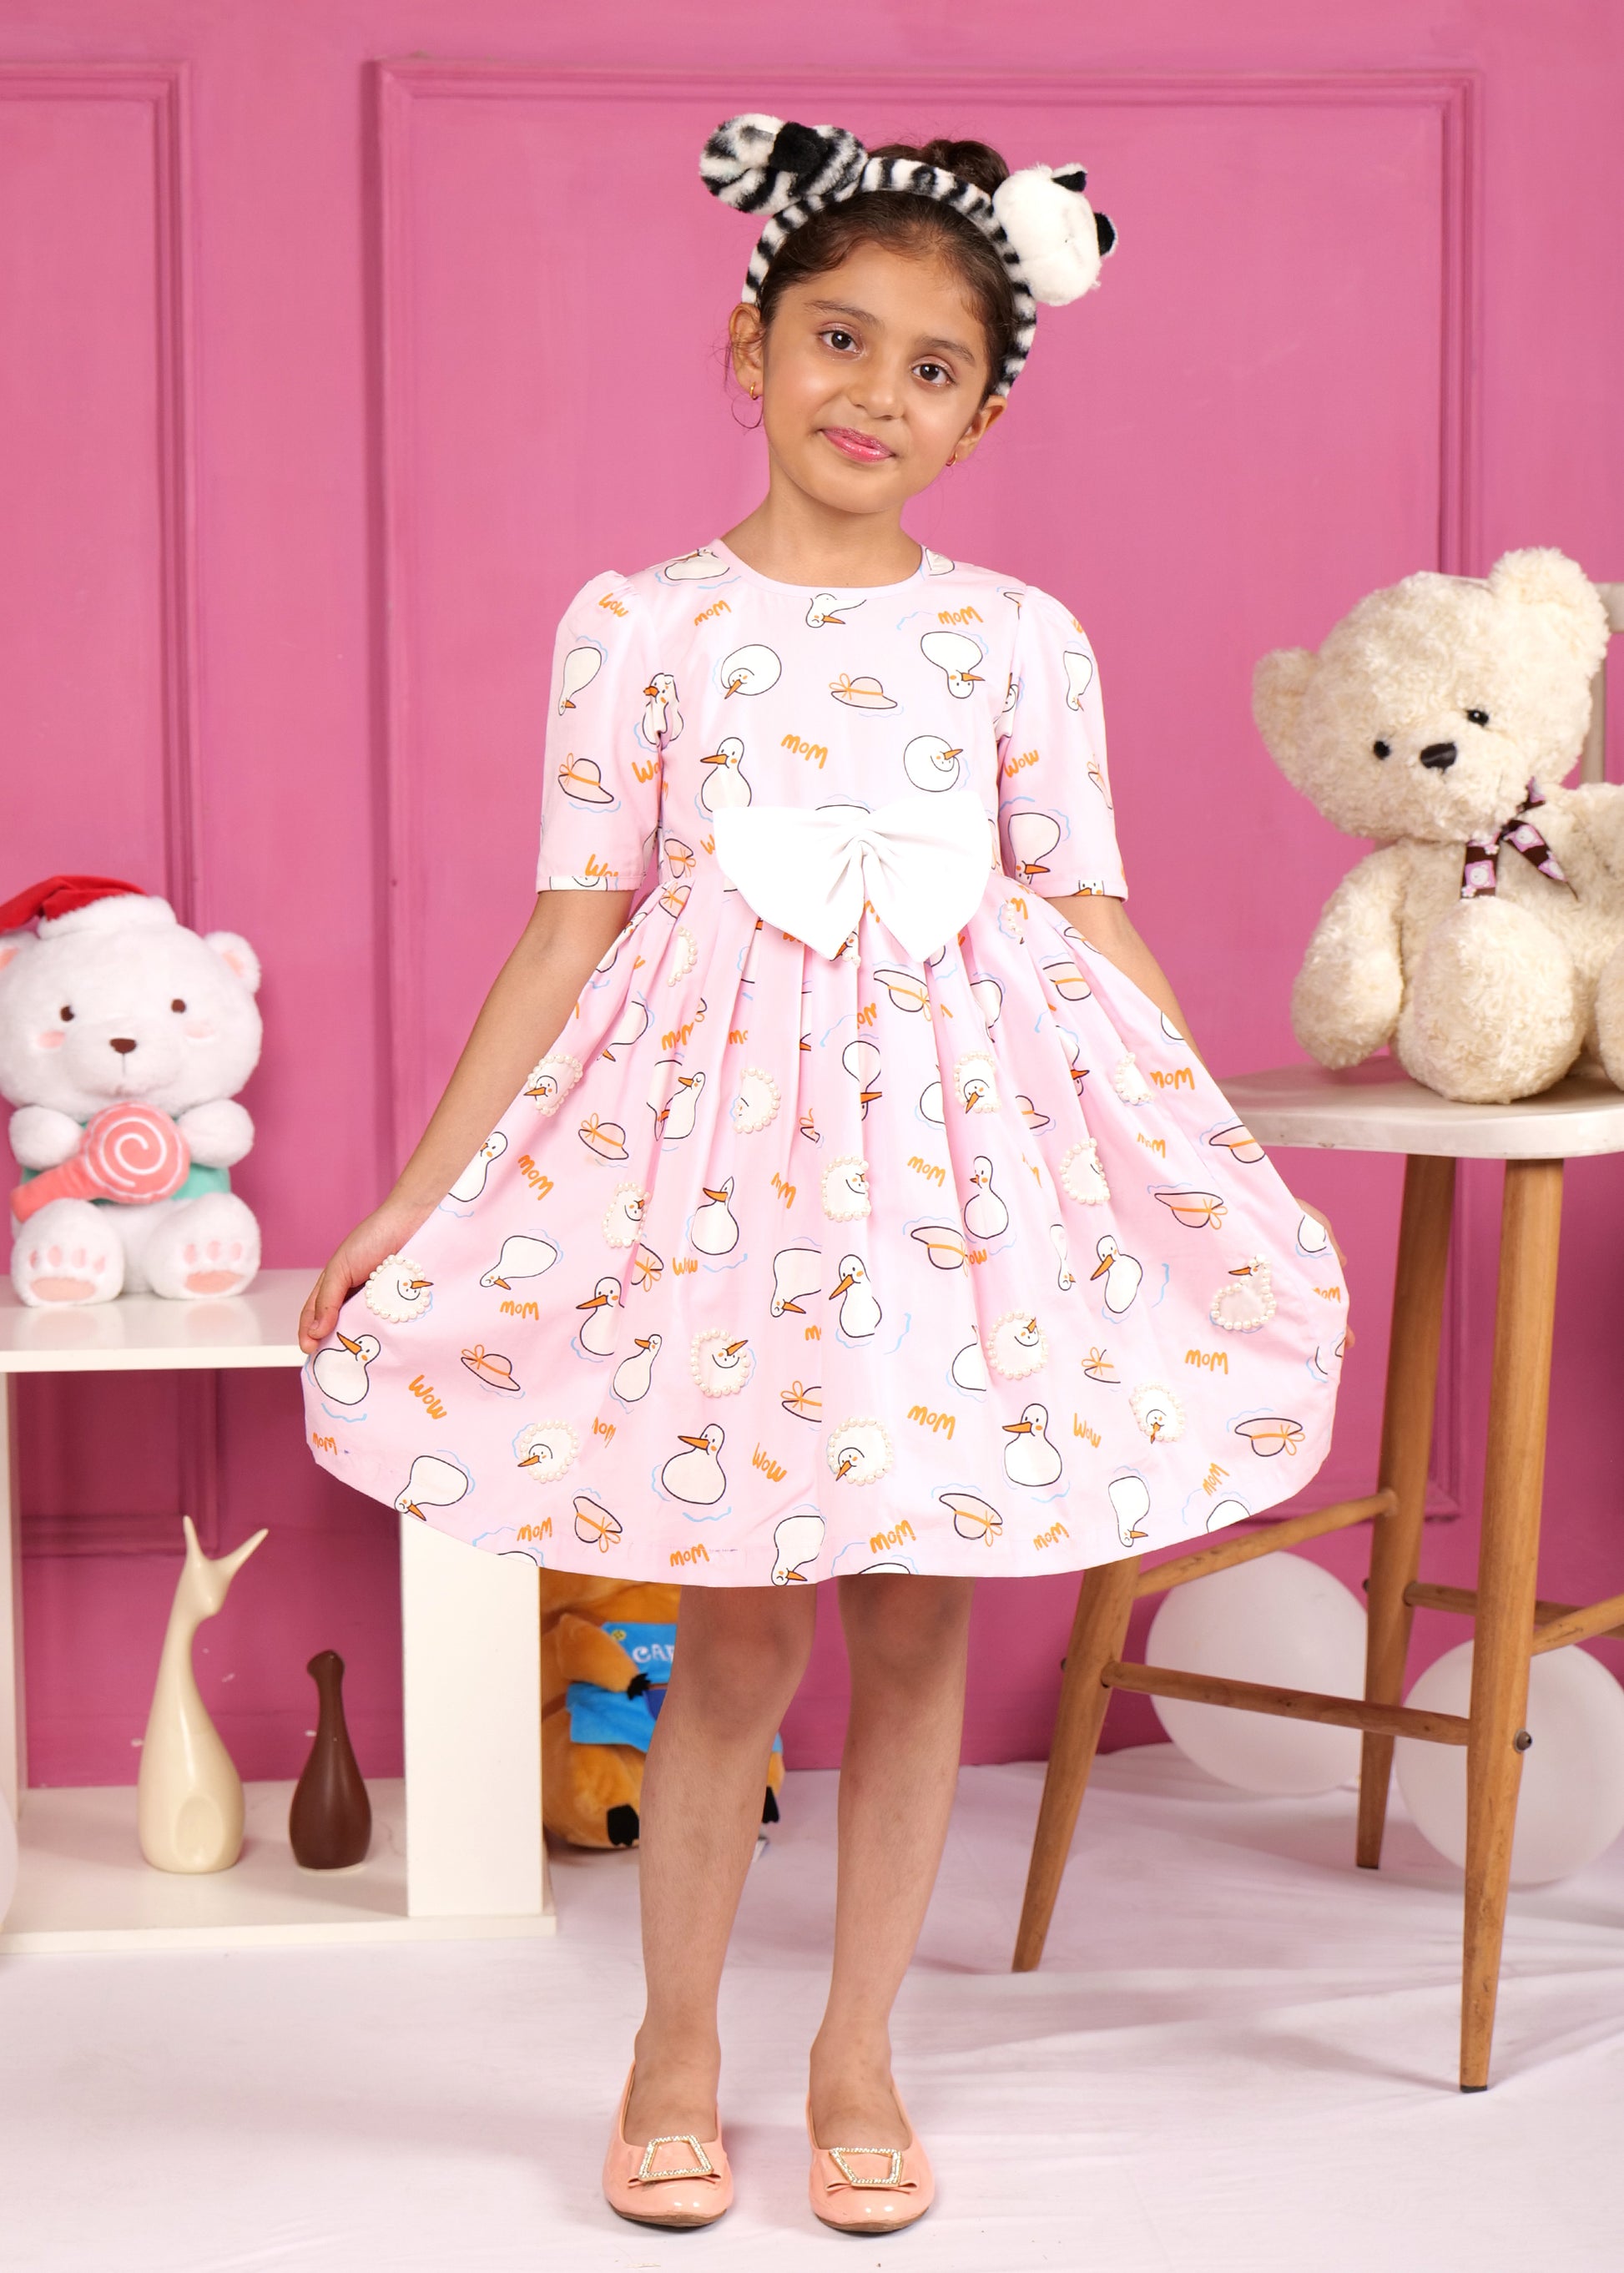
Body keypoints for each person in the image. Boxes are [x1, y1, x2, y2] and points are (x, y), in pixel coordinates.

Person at [298, 113, 1345, 2235]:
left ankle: (856, 2045)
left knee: (922, 1626)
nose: (875, 392)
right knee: (738, 1638)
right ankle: (671, 2041)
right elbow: (571, 923)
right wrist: (424, 1196)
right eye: (837, 340)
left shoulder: (1020, 642)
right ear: (748, 346)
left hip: (959, 1202)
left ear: (980, 415)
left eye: (931, 365)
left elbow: (1087, 918)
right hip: (727, 1203)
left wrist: (1208, 1161)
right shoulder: (644, 624)